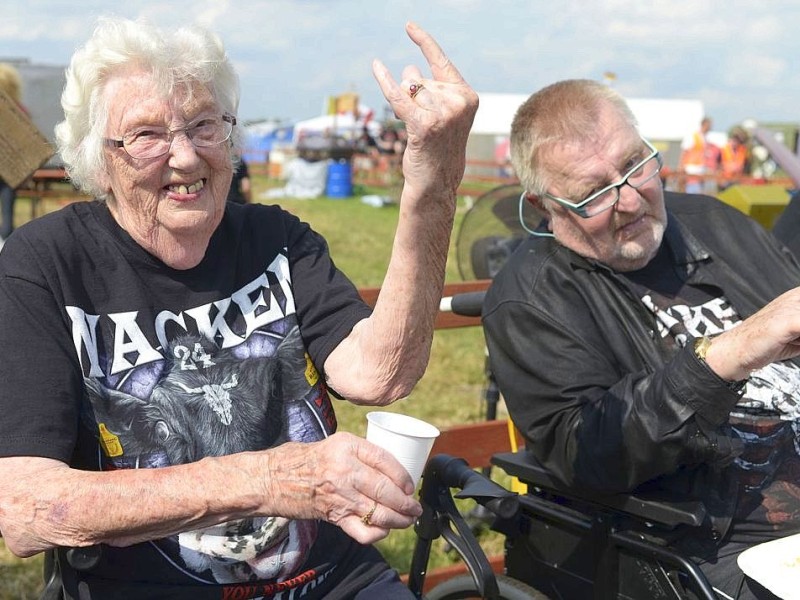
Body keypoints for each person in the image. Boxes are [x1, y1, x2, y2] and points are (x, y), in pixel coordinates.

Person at [0, 16, 477, 600]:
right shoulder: (47, 263)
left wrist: (433, 179)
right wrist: (271, 479)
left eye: (204, 125)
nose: (184, 157)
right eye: (146, 134)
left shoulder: (276, 236)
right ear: (99, 162)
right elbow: (28, 508)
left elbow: (380, 373)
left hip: (332, 581)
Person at [482, 78, 800, 599]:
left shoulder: (715, 222)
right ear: (545, 207)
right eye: (593, 194)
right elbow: (585, 452)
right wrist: (729, 353)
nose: (630, 200)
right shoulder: (530, 299)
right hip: (709, 544)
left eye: (635, 166)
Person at [0, 62, 27, 240]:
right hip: (11, 170)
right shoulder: (20, 111)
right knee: (8, 204)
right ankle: (6, 235)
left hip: (9, 170)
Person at [679, 116, 718, 194]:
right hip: (691, 168)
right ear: (704, 125)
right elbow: (685, 151)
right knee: (691, 192)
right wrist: (681, 166)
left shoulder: (705, 138)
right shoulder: (693, 136)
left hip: (700, 169)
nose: (710, 128)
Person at [719, 126, 750, 191]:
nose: (734, 143)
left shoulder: (742, 151)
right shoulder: (723, 150)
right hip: (725, 180)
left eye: (736, 141)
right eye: (733, 140)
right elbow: (719, 165)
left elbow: (745, 165)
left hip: (737, 180)